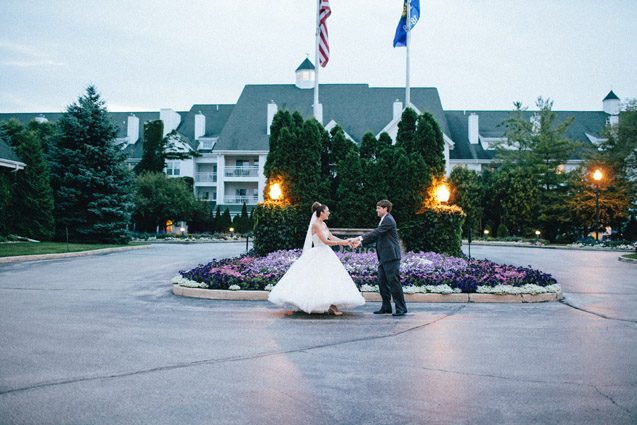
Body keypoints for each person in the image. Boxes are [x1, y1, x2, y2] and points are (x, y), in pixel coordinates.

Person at [268, 202, 365, 316]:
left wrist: (347, 241)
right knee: (317, 279)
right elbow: (325, 241)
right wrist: (343, 242)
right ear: (321, 212)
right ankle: (319, 304)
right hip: (319, 252)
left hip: (326, 253)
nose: (329, 213)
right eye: (327, 211)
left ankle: (331, 304)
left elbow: (331, 237)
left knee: (330, 279)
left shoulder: (323, 224)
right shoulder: (316, 225)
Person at [350, 200, 407, 316]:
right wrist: (360, 244)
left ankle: (401, 308)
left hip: (391, 256)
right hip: (384, 257)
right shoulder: (384, 220)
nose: (377, 210)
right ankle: (386, 307)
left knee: (393, 282)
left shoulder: (388, 220)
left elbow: (376, 233)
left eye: (378, 208)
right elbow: (377, 237)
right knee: (382, 282)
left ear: (385, 208)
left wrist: (359, 238)